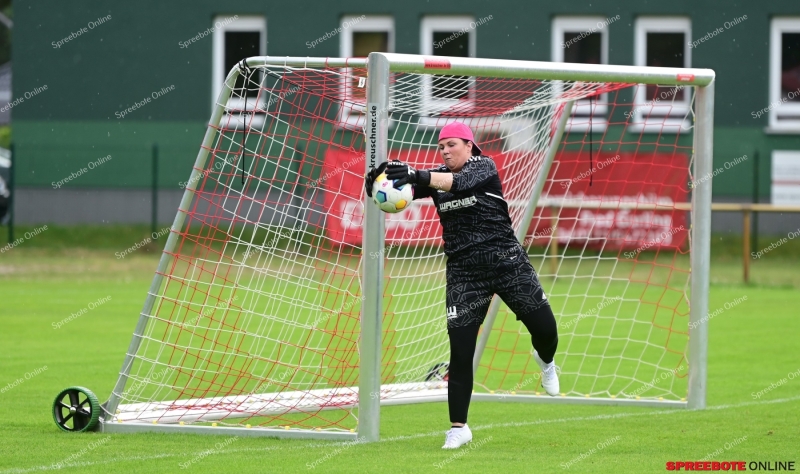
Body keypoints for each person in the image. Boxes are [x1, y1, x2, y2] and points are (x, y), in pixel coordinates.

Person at [364, 122, 560, 449]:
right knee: (460, 351)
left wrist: (417, 174)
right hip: (464, 274)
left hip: (508, 264)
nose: (445, 151)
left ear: (469, 145)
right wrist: (378, 181)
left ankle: (546, 362)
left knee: (546, 330)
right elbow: (409, 186)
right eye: (441, 146)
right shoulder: (436, 178)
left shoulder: (484, 166)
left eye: (451, 144)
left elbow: (458, 182)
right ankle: (459, 427)